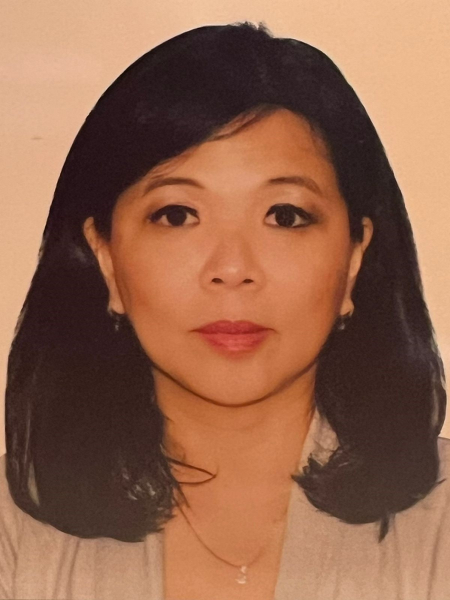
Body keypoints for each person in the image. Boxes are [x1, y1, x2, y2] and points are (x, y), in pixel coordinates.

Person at [0, 21, 448, 600]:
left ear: (354, 259)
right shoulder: (13, 534)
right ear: (106, 259)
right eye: (177, 215)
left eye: (285, 216)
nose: (232, 268)